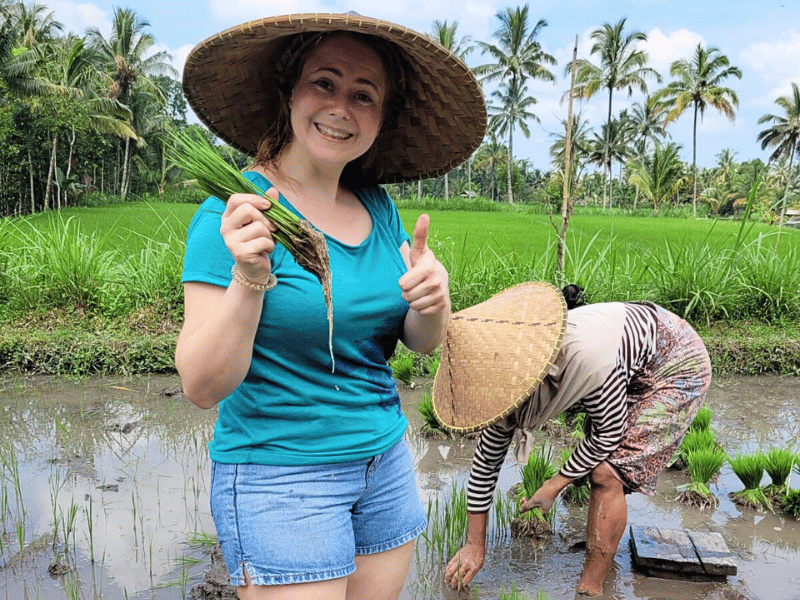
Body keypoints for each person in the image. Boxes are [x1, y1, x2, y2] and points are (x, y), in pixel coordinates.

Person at [175, 13, 485, 600]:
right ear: (290, 92)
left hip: (384, 464)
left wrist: (433, 302)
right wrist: (249, 276)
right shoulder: (234, 213)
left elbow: (418, 341)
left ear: (381, 118)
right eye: (324, 83)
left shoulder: (379, 207)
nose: (341, 105)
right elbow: (201, 385)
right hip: (280, 476)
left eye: (363, 94)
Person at [442, 284, 712, 597]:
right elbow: (484, 467)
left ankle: (591, 588)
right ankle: (603, 544)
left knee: (608, 472)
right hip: (629, 359)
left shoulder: (585, 359)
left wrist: (553, 487)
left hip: (676, 362)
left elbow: (607, 435)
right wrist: (475, 546)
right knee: (603, 470)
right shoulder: (502, 388)